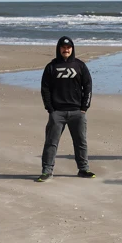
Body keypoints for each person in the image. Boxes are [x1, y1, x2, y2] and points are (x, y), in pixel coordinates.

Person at [37, 36, 95, 182]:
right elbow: (45, 89)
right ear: (59, 49)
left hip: (77, 112)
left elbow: (88, 86)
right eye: (63, 47)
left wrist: (84, 107)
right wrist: (50, 109)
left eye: (68, 47)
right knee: (51, 142)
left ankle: (83, 169)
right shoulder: (51, 67)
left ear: (72, 49)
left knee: (81, 141)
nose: (66, 50)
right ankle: (47, 171)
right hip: (57, 112)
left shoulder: (80, 66)